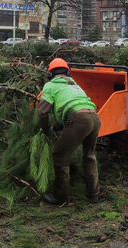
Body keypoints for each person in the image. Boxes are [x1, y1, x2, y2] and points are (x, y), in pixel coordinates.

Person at [36, 58, 101, 204]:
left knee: (59, 156)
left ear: (50, 74)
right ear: (67, 72)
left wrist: (45, 130)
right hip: (95, 117)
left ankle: (61, 197)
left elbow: (42, 113)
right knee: (89, 155)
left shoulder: (50, 85)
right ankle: (94, 194)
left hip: (79, 119)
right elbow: (70, 106)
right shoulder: (75, 85)